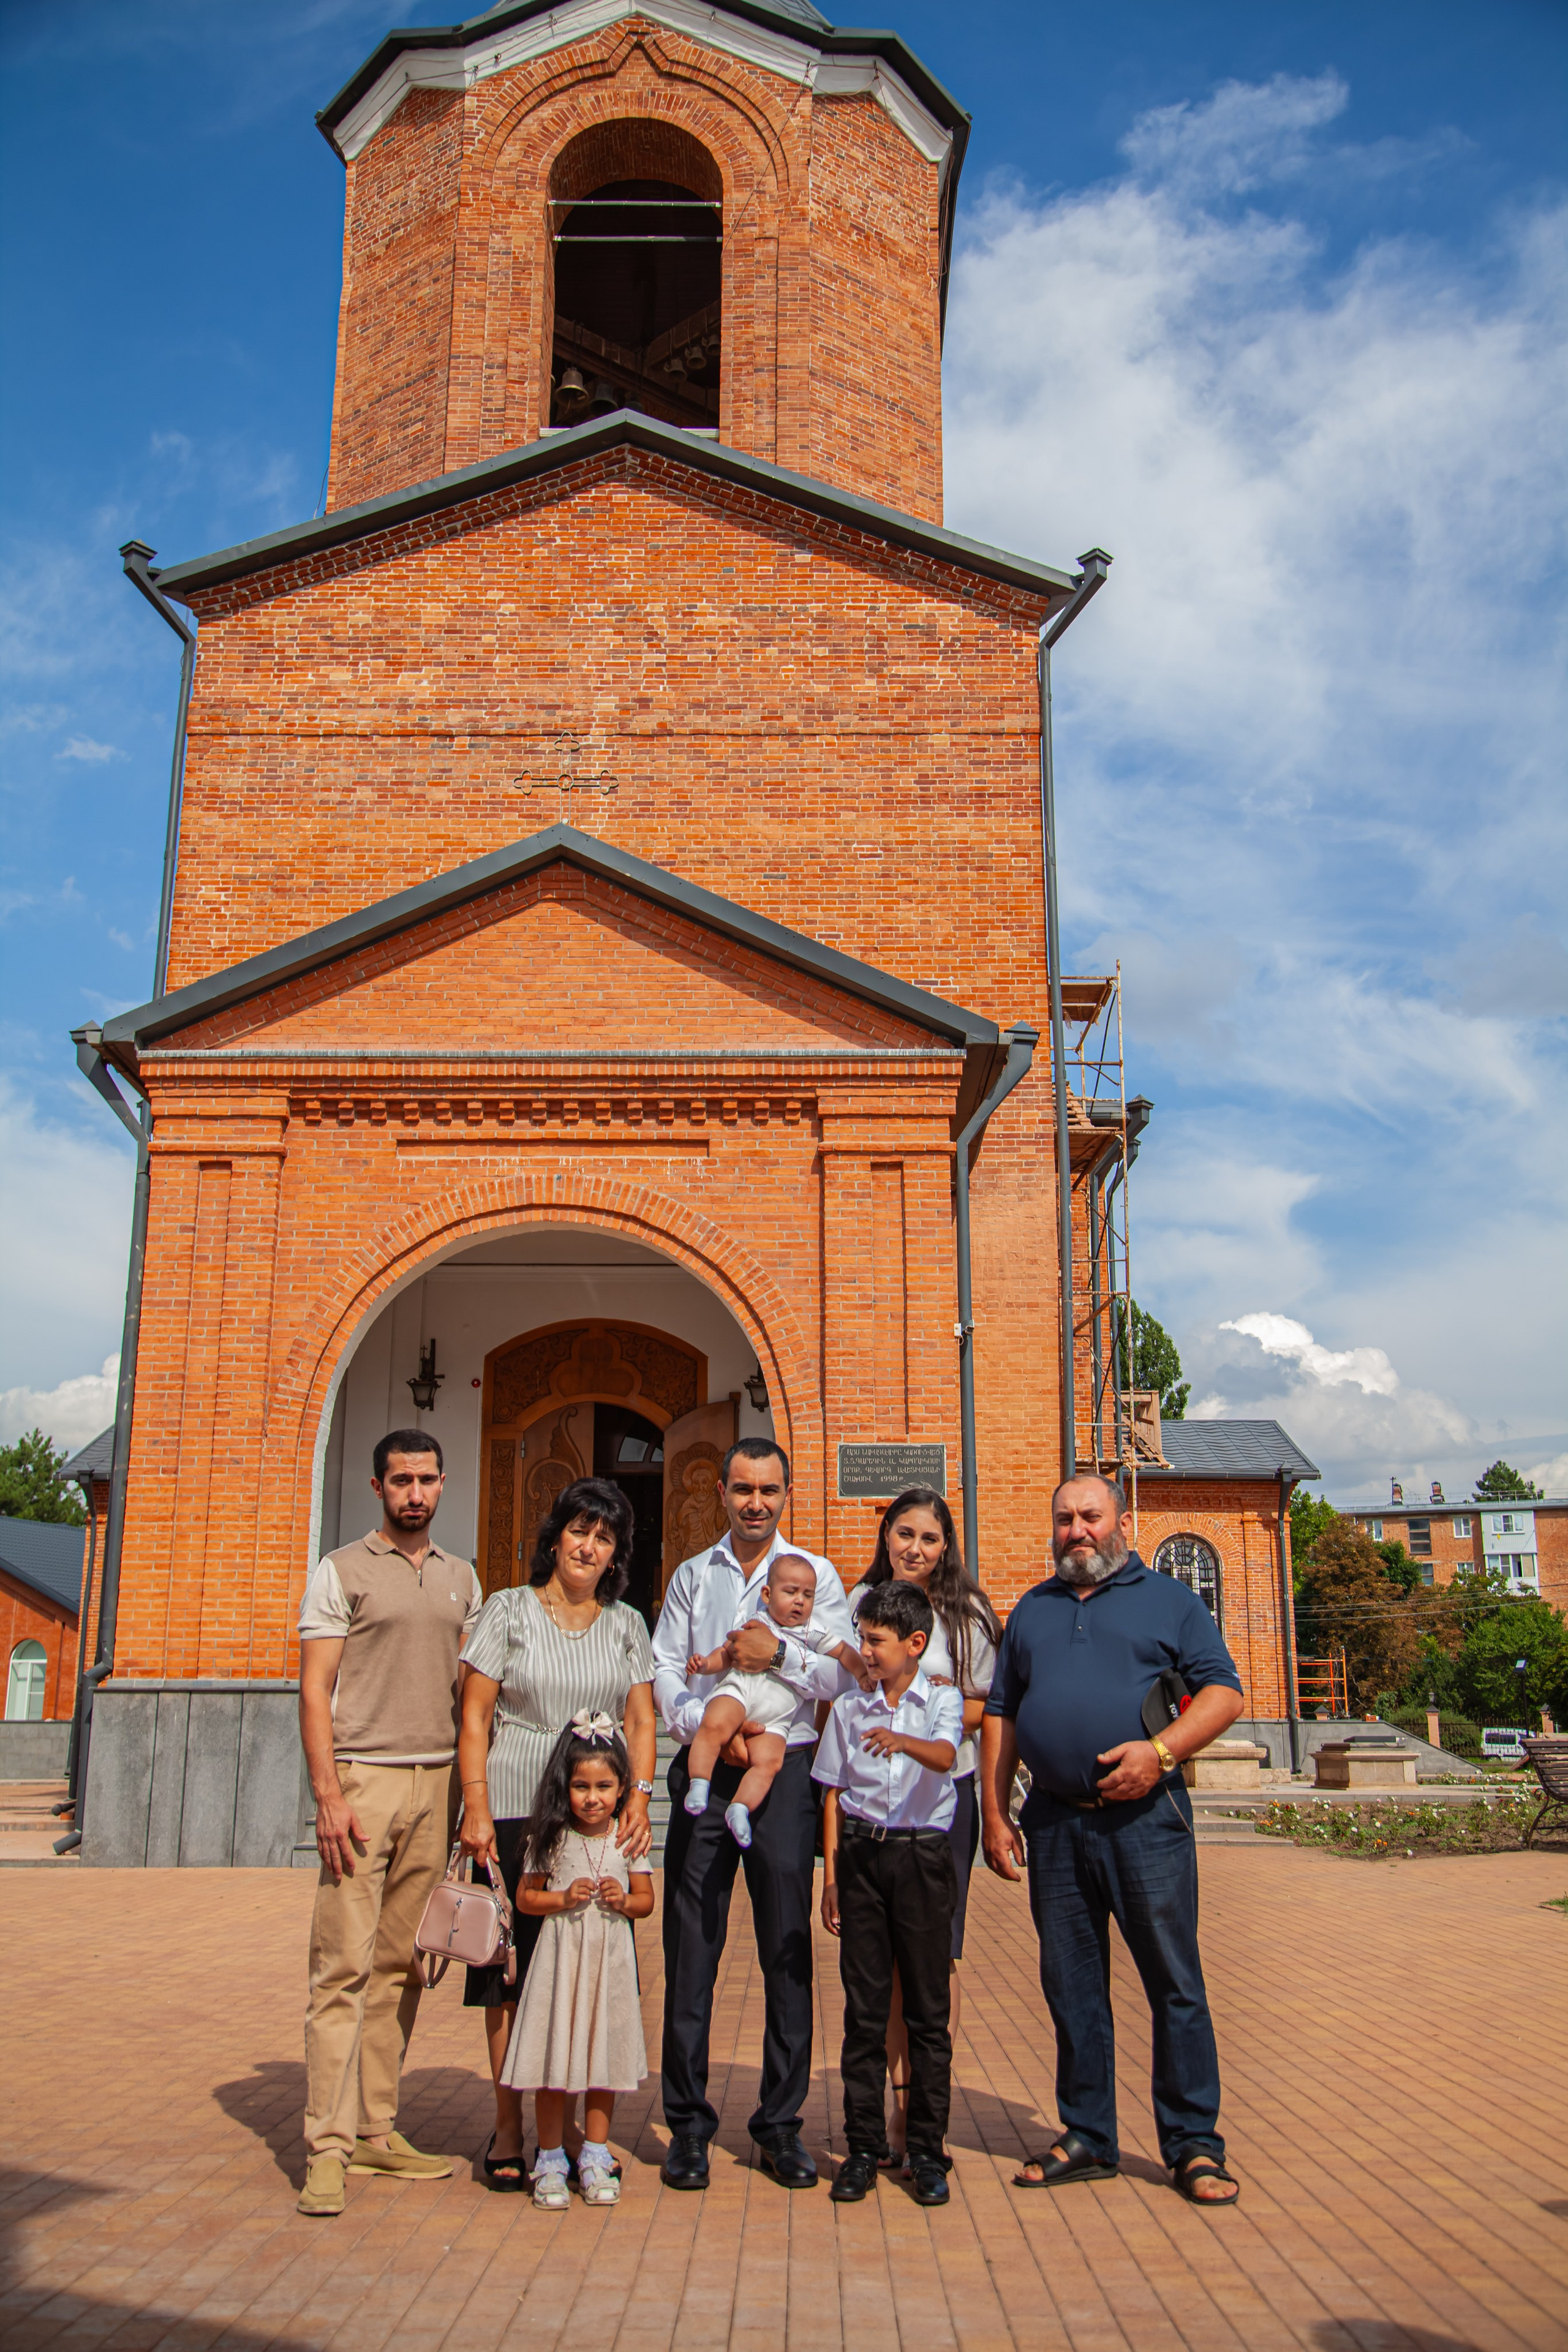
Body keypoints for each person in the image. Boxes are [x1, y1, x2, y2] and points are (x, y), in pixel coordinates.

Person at [981, 1474, 1246, 2207]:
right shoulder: (1032, 1610)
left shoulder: (1169, 1601)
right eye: (1064, 1519)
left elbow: (1222, 1692)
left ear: (1119, 1520)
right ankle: (1088, 2134)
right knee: (1071, 1987)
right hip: (1056, 1822)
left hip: (1147, 1822)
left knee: (1173, 1982)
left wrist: (1158, 1753)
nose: (1077, 1531)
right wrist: (995, 1813)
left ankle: (1193, 2145)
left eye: (1090, 1517)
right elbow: (1001, 1711)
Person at [650, 1438, 855, 2190]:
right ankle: (689, 2127)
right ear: (722, 1492)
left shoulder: (815, 1576)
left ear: (786, 1493)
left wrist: (777, 1660)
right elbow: (667, 1665)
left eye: (769, 1490)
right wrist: (695, 1725)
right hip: (708, 1763)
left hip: (785, 1771)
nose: (755, 1503)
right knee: (692, 1947)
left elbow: (838, 1669)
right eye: (742, 1489)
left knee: (786, 1949)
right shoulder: (692, 1576)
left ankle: (779, 2125)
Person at [296, 1429, 481, 2219]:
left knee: (402, 1965)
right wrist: (329, 1792)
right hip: (364, 1784)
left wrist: (473, 1798)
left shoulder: (462, 1578)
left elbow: (475, 1693)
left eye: (426, 1479)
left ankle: (377, 2125)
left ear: (443, 1485)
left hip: (437, 1783)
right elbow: (314, 1691)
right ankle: (327, 2149)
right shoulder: (339, 1571)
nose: (415, 1492)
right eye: (401, 1480)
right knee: (341, 1967)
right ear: (377, 1487)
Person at [456, 1477, 655, 2191]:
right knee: (511, 1977)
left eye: (603, 1538)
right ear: (554, 1538)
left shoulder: (627, 1624)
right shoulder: (508, 1611)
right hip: (512, 1805)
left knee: (581, 1971)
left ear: (614, 1555)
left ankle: (571, 2130)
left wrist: (639, 1794)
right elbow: (475, 1716)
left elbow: (639, 1720)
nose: (588, 1546)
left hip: (590, 1821)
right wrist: (475, 1807)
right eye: (579, 1531)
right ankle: (512, 2126)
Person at [849, 1485, 1001, 2168]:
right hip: (873, 1804)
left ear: (946, 1547)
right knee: (878, 1965)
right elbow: (849, 1691)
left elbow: (984, 1705)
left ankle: (923, 2116)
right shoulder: (861, 1603)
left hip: (943, 1797)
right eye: (904, 1533)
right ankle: (887, 2109)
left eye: (929, 1538)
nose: (914, 1548)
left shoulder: (963, 1613)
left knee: (936, 1958)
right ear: (886, 1536)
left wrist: (918, 1716)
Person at [815, 1580, 964, 2209]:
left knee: (928, 2013)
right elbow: (831, 1789)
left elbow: (945, 1754)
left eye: (875, 1642)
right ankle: (863, 2147)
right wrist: (830, 1877)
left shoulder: (941, 1701)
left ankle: (926, 2151)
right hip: (865, 1857)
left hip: (923, 1860)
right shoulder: (851, 1711)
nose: (865, 1652)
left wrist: (904, 1741)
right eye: (861, 1639)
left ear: (914, 1644)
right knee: (865, 2012)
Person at [501, 1713, 655, 2209]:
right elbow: (526, 1898)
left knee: (600, 2060)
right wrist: (564, 1898)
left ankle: (593, 2154)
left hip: (608, 1961)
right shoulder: (551, 1836)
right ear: (563, 1787)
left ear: (624, 1787)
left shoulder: (628, 1837)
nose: (593, 1797)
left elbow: (646, 1899)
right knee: (555, 2057)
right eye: (581, 1786)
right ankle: (549, 2159)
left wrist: (624, 1901)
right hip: (560, 1962)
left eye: (605, 1786)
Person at [683, 1550, 865, 1847]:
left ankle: (740, 1808)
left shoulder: (813, 1631)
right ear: (767, 1594)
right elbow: (729, 1652)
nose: (799, 1601)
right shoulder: (758, 1621)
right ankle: (700, 1782)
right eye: (791, 1592)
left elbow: (845, 1652)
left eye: (808, 1595)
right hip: (740, 1691)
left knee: (768, 1763)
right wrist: (705, 1666)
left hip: (778, 1715)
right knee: (713, 1725)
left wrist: (862, 1674)